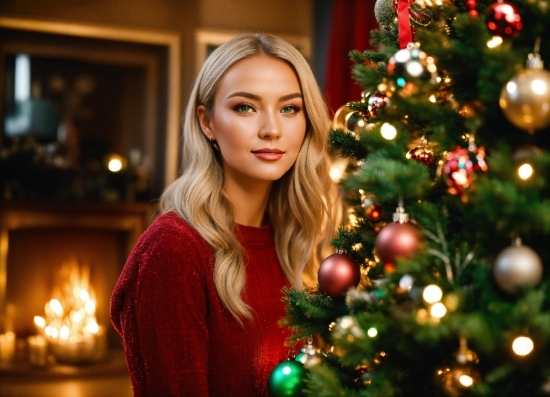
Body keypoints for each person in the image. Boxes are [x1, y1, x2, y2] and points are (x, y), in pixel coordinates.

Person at [110, 32, 337, 397]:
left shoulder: (298, 241)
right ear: (207, 122)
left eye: (289, 108)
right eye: (245, 107)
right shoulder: (173, 250)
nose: (271, 129)